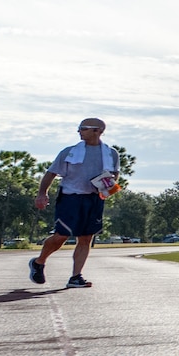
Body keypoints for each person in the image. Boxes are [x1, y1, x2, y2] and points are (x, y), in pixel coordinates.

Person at [27, 118, 119, 288]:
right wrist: (42, 194)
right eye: (79, 128)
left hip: (93, 199)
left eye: (83, 128)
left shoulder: (110, 153)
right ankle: (39, 262)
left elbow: (114, 174)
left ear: (97, 131)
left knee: (85, 238)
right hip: (70, 197)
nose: (79, 131)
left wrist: (108, 187)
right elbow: (51, 173)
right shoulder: (69, 152)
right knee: (61, 235)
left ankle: (76, 277)